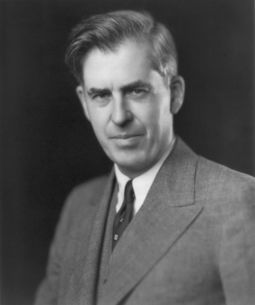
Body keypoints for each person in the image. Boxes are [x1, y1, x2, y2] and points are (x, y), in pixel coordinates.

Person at [34, 10, 255, 305]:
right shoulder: (78, 205)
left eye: (136, 91)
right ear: (84, 103)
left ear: (175, 94)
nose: (119, 117)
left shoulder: (236, 202)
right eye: (100, 95)